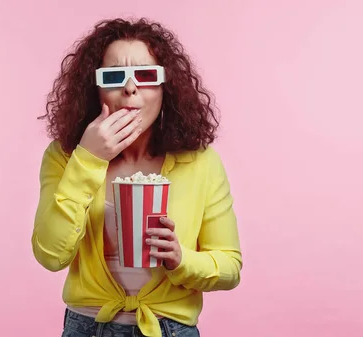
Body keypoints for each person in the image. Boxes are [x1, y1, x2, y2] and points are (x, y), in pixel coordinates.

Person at [32, 17, 242, 337]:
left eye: (145, 75)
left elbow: (229, 268)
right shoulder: (65, 157)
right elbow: (50, 254)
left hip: (170, 329)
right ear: (96, 90)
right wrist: (88, 159)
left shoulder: (201, 163)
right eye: (114, 76)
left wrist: (180, 259)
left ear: (164, 88)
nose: (130, 88)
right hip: (86, 327)